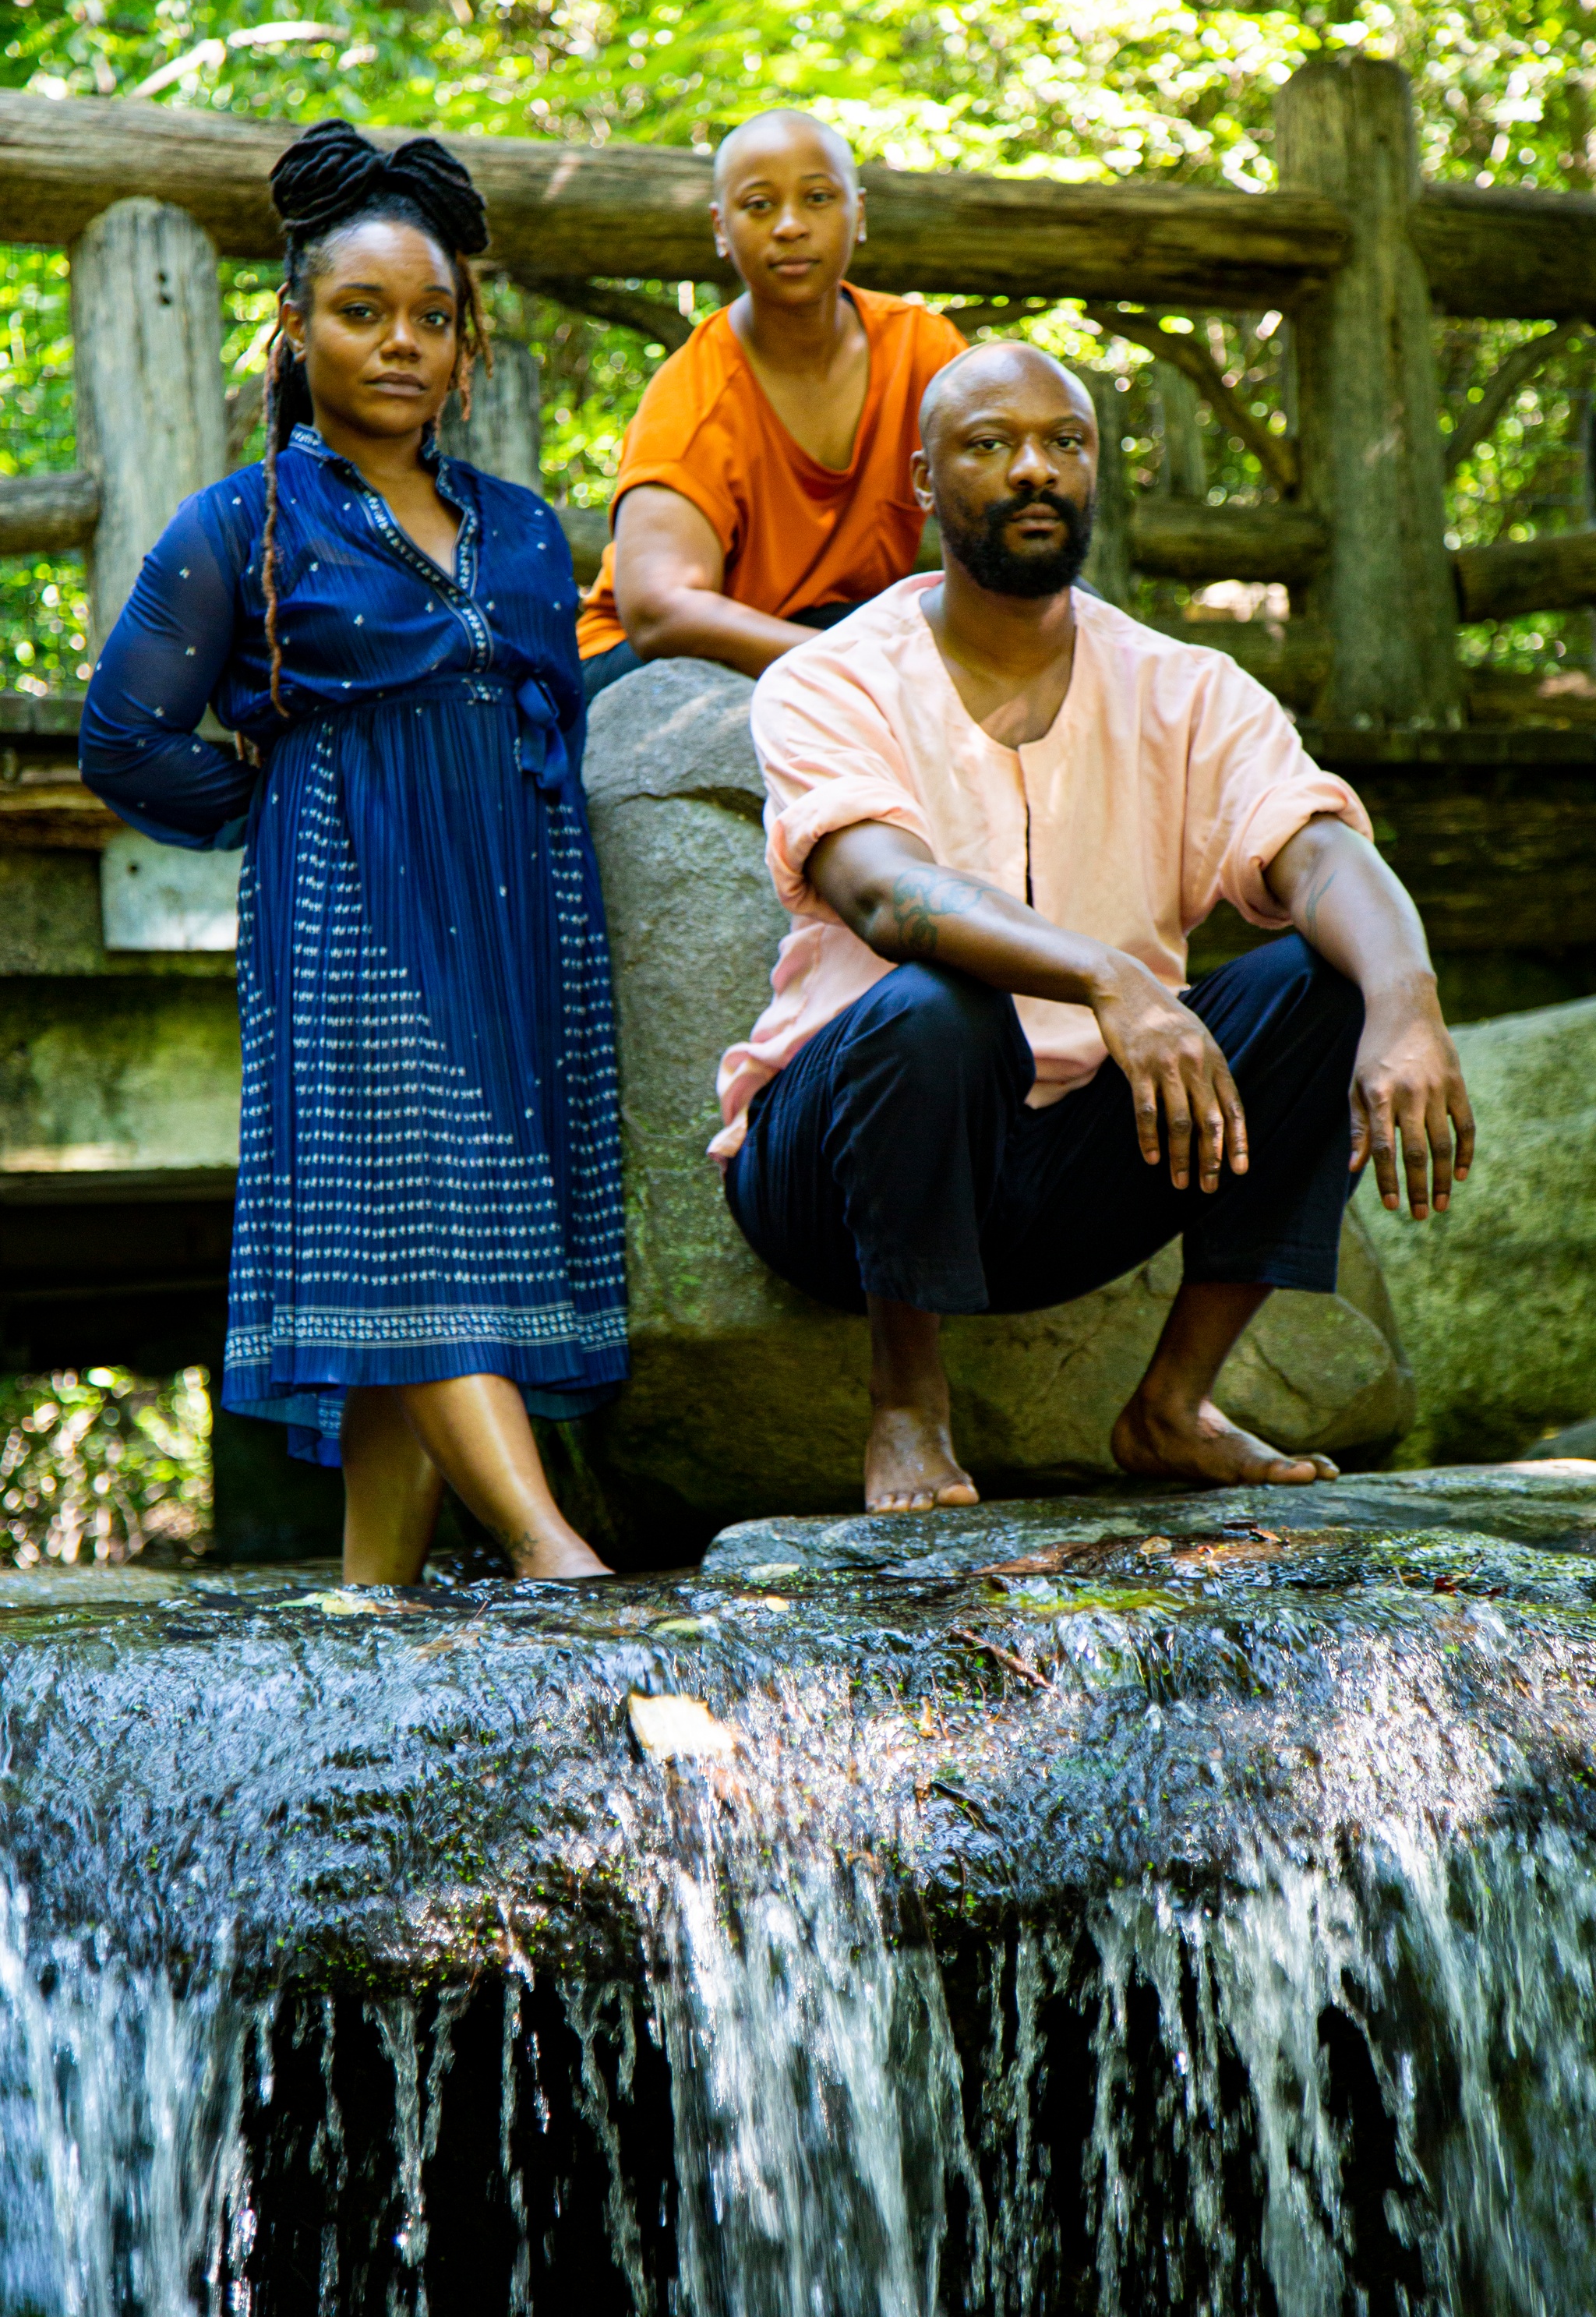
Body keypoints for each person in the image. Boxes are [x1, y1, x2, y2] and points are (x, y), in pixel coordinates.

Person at [715, 342, 1475, 1512]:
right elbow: (883, 893)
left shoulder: (1185, 687)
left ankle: (1172, 1407)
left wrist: (1407, 1006)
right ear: (924, 482)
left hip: (1073, 1179)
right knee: (935, 1004)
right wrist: (1113, 982)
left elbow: (1319, 845)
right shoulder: (829, 680)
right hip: (842, 1175)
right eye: (989, 445)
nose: (1035, 470)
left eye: (1064, 444)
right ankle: (908, 1411)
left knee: (1330, 984)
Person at [79, 122, 626, 1584]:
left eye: (431, 318)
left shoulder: (519, 528)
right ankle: (548, 1550)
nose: (400, 344)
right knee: (415, 1213)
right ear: (296, 323)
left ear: (468, 342)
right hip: (349, 902)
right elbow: (122, 737)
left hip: (519, 920)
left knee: (420, 1239)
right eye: (361, 312)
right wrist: (269, 801)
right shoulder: (239, 522)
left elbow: (554, 714)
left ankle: (368, 1603)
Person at [577, 108, 967, 697]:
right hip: (640, 666)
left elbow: (1000, 503)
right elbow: (660, 612)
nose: (790, 226)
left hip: (822, 628)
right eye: (759, 205)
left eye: (817, 198)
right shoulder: (696, 395)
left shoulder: (922, 350)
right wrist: (861, 669)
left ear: (857, 214)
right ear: (720, 228)